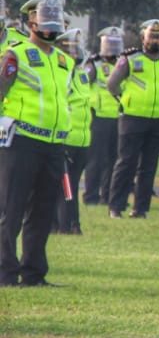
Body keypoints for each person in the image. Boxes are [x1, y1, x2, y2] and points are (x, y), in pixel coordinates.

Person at [0, 0, 72, 287]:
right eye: (43, 18)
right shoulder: (15, 54)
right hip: (21, 142)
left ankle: (33, 272)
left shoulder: (66, 61)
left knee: (43, 211)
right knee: (11, 210)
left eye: (54, 18)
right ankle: (5, 272)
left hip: (54, 144)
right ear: (30, 21)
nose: (50, 24)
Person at [106, 19, 159, 219]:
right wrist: (124, 99)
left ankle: (141, 208)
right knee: (126, 163)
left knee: (149, 166)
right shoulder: (130, 58)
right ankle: (116, 206)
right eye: (151, 35)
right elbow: (112, 84)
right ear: (142, 37)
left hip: (158, 118)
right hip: (133, 117)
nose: (155, 40)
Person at [55, 27, 92, 235]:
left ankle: (71, 224)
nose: (74, 53)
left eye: (76, 48)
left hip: (82, 140)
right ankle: (67, 225)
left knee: (73, 185)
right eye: (70, 49)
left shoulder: (81, 74)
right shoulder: (61, 74)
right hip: (66, 138)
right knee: (65, 187)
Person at [82, 26, 124, 205]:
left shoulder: (123, 64)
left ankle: (108, 196)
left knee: (114, 160)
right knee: (95, 160)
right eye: (109, 44)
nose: (112, 49)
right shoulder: (93, 64)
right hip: (97, 117)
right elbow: (83, 85)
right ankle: (91, 196)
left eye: (116, 45)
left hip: (119, 117)